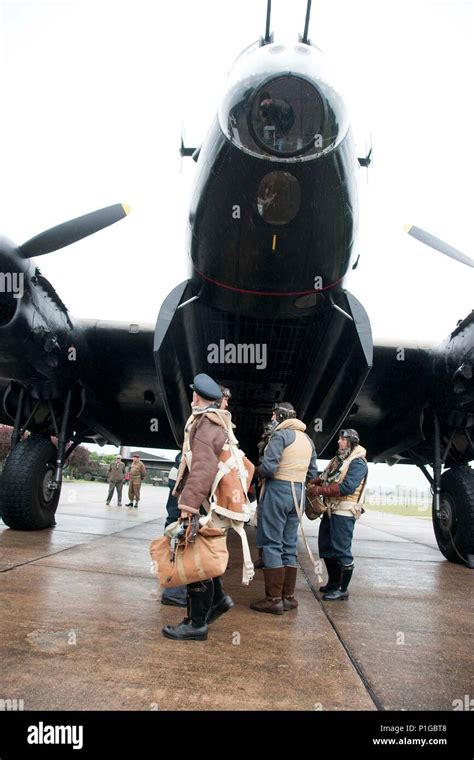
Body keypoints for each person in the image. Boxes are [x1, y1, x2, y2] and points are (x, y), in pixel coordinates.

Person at [161, 374, 234, 641]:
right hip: (205, 501)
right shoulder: (214, 421)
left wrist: (189, 506)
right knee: (200, 556)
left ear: (195, 397)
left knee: (194, 560)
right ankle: (218, 601)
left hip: (199, 502)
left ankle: (195, 624)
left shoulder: (206, 423)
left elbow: (203, 467)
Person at [250, 402, 318, 615]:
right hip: (298, 493)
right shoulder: (307, 440)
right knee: (289, 544)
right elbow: (312, 473)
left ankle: (273, 600)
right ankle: (288, 598)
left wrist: (254, 471)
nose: (271, 418)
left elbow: (269, 468)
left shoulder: (280, 436)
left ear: (280, 416)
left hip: (278, 490)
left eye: (273, 415)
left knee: (271, 543)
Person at [307, 429, 368, 601]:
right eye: (339, 438)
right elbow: (326, 476)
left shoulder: (358, 463)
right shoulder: (338, 460)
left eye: (343, 439)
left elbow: (347, 487)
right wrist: (313, 481)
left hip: (344, 512)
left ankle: (343, 589)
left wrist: (320, 490)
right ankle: (333, 583)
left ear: (351, 443)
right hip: (330, 509)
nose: (339, 442)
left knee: (342, 550)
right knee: (326, 546)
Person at [160, 452, 187, 608]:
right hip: (182, 481)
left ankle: (174, 588)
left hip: (180, 479)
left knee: (176, 526)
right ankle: (175, 592)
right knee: (182, 531)